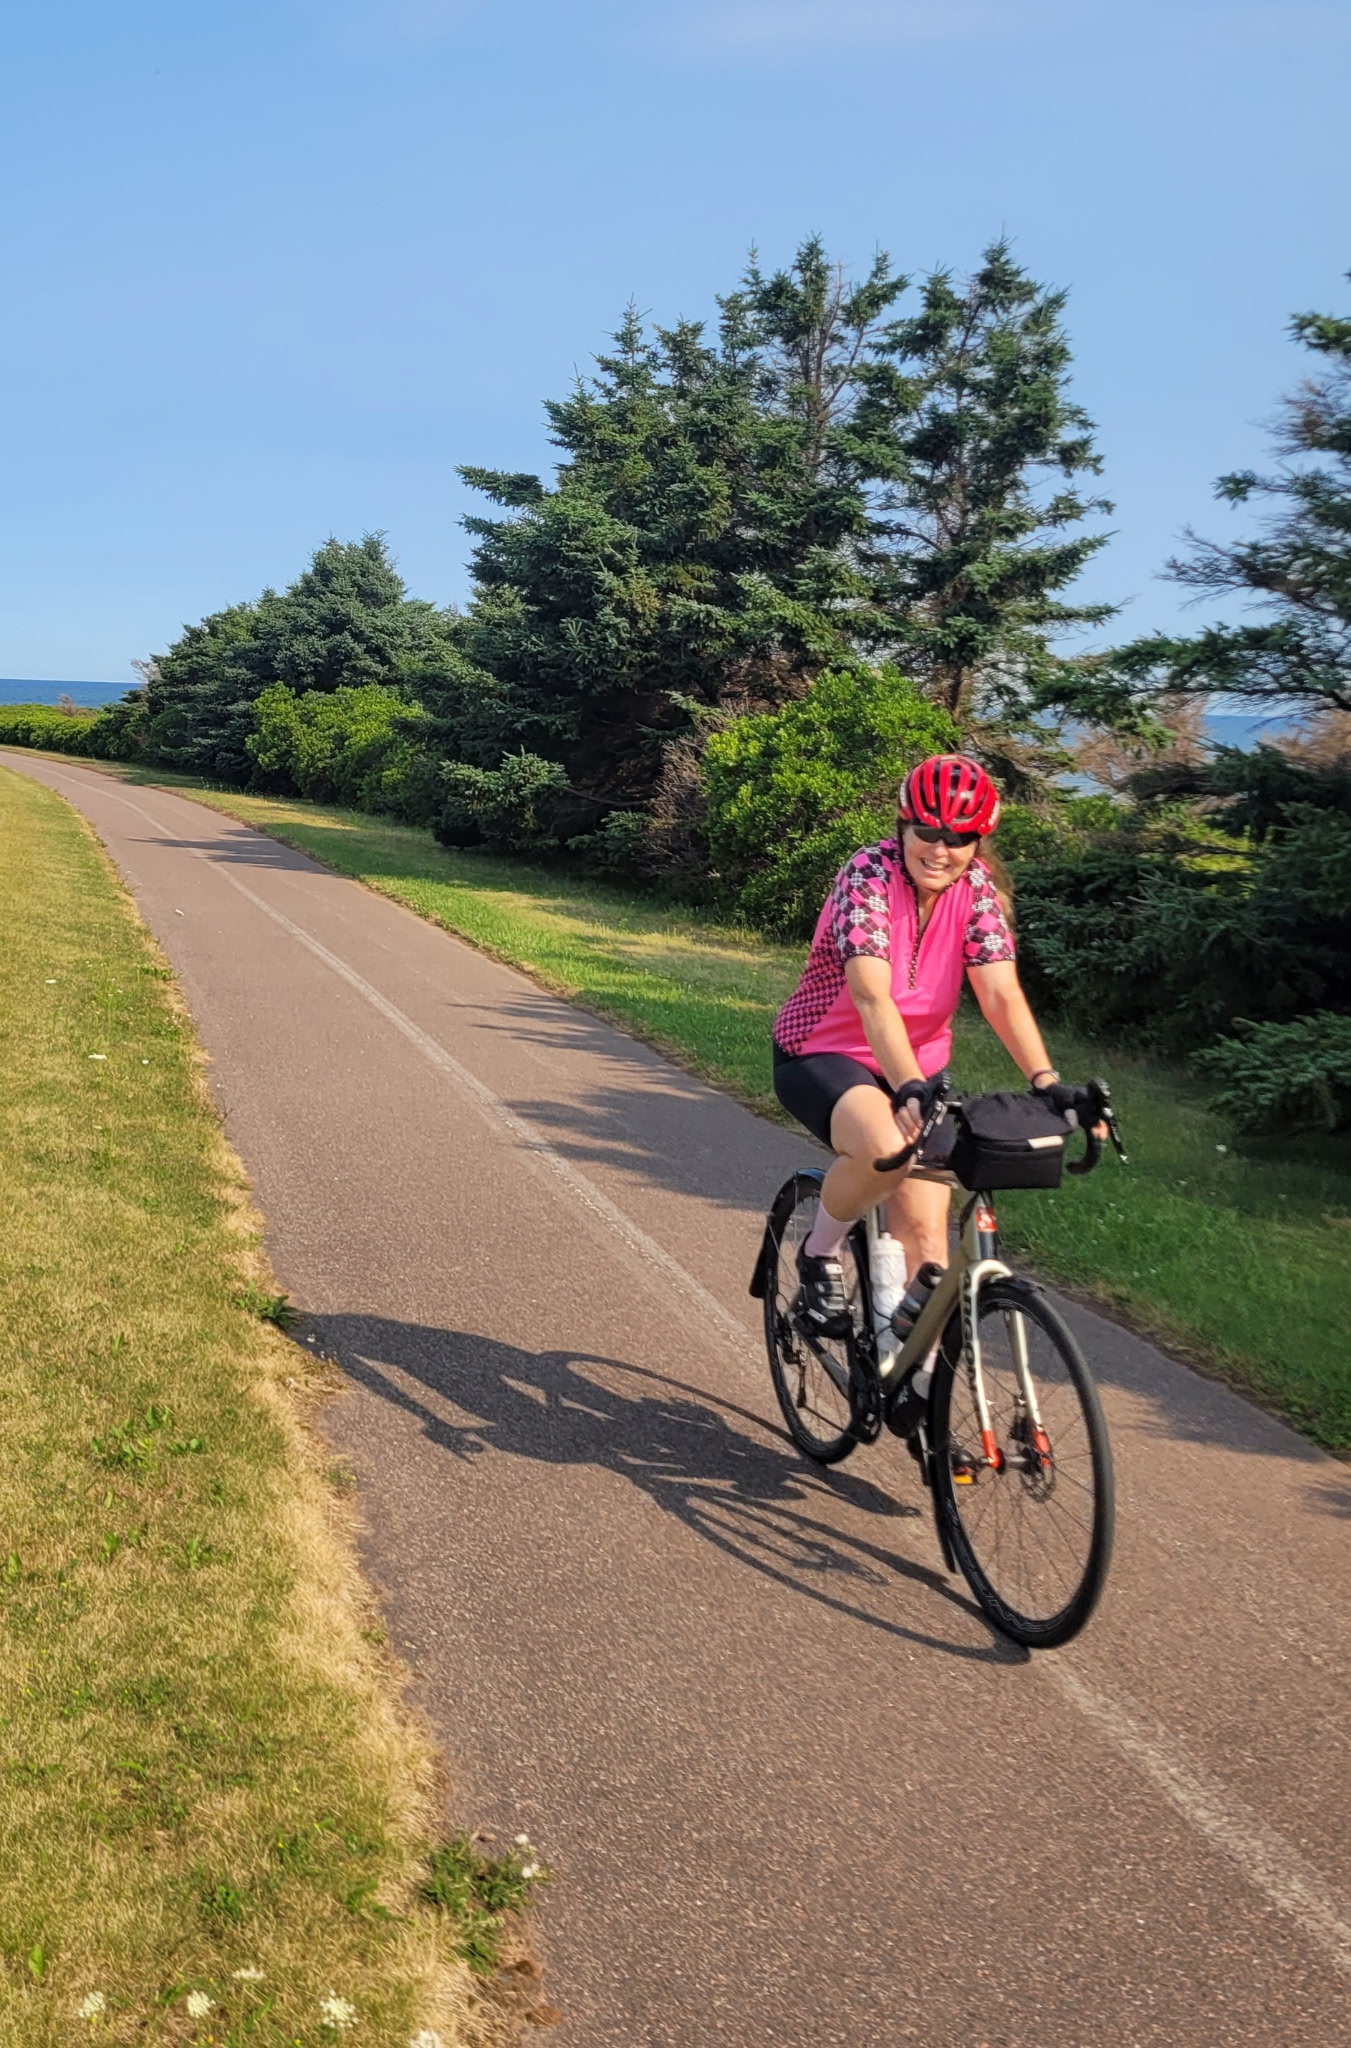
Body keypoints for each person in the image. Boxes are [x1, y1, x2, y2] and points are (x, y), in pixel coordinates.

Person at [772, 753, 1064, 1338]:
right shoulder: (869, 874)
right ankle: (819, 1253)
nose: (940, 849)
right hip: (825, 1051)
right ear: (903, 826)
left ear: (977, 843)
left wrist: (1047, 1082)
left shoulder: (976, 889)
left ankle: (907, 1369)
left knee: (929, 1241)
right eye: (927, 831)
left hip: (919, 1070)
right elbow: (871, 995)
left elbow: (1000, 994)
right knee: (885, 1149)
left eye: (959, 837)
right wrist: (906, 1085)